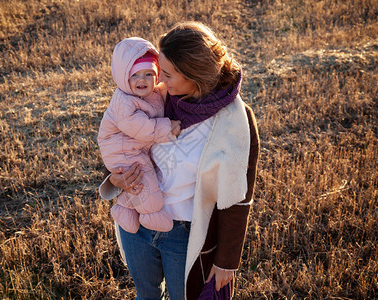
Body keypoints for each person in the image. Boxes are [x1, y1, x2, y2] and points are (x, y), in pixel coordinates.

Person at [99, 22, 260, 300]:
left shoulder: (234, 119)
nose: (159, 80)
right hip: (138, 225)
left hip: (184, 236)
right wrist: (114, 179)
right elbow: (121, 142)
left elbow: (238, 198)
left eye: (168, 74)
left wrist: (226, 262)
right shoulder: (159, 99)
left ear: (193, 75)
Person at [97, 37, 181, 234]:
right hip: (120, 149)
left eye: (149, 74)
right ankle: (152, 214)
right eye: (135, 75)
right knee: (143, 178)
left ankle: (124, 210)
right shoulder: (123, 102)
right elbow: (140, 128)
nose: (142, 80)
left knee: (133, 182)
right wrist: (167, 128)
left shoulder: (151, 93)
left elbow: (162, 93)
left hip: (131, 147)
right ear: (123, 77)